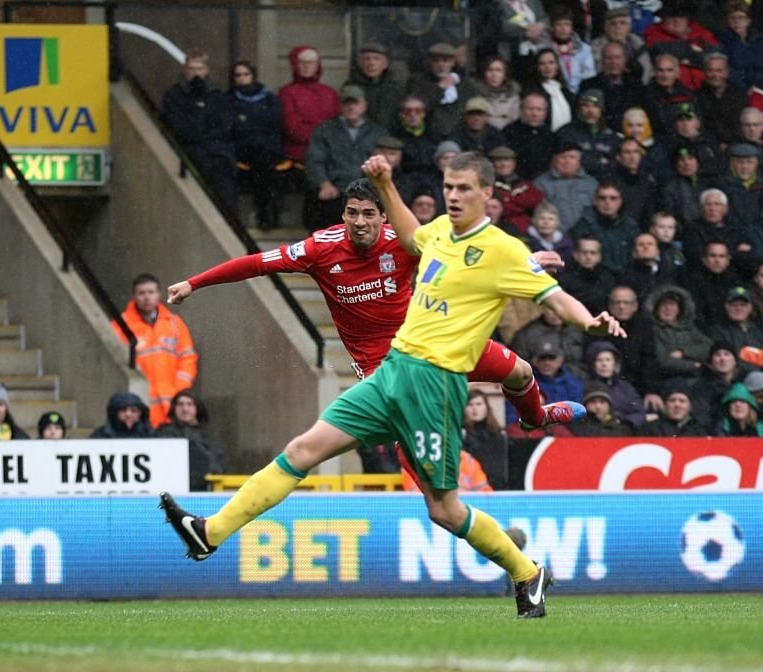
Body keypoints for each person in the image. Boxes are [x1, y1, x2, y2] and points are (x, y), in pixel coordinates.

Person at [160, 152, 624, 620]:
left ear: (487, 194)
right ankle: (210, 532)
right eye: (449, 187)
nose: (454, 196)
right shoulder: (427, 233)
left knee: (464, 475)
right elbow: (405, 232)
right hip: (388, 372)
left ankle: (527, 544)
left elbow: (556, 298)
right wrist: (194, 285)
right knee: (303, 450)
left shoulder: (499, 249)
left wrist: (589, 321)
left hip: (434, 381)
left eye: (463, 188)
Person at [167, 178, 580, 431]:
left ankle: (535, 417)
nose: (359, 221)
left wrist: (525, 261)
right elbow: (256, 263)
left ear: (385, 218)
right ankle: (432, 505)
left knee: (520, 371)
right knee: (411, 429)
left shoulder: (403, 242)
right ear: (343, 215)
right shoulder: (318, 249)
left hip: (432, 342)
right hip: (380, 365)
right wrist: (193, 283)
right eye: (351, 213)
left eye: (368, 214)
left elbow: (468, 255)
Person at [111, 273, 197, 428]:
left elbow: (188, 359)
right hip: (137, 406)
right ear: (134, 296)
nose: (146, 297)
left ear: (158, 294)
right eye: (142, 293)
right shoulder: (121, 325)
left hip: (171, 404)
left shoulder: (174, 324)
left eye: (151, 292)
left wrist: (179, 391)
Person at [161, 48, 236, 213]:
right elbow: (177, 125)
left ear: (207, 70)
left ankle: (228, 218)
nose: (196, 73)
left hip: (217, 150)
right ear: (185, 70)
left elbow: (225, 124)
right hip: (190, 149)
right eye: (192, 69)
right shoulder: (174, 95)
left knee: (222, 172)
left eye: (200, 69)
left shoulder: (217, 95)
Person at [303, 84, 384, 231]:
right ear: (340, 106)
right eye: (347, 103)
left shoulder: (378, 132)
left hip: (367, 191)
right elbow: (314, 160)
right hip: (335, 190)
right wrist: (324, 183)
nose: (351, 107)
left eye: (356, 103)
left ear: (365, 105)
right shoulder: (324, 130)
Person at [228, 60, 283, 231]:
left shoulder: (268, 97)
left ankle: (268, 212)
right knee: (263, 165)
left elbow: (275, 120)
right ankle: (266, 213)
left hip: (267, 147)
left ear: (253, 75)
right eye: (238, 75)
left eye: (246, 74)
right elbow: (232, 126)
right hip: (242, 148)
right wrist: (255, 122)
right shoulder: (228, 98)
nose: (242, 78)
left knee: (264, 163)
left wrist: (247, 121)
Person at [277, 45, 339, 168]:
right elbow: (293, 128)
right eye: (302, 62)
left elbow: (336, 125)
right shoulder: (286, 93)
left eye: (311, 62)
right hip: (298, 157)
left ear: (318, 65)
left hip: (328, 155)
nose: (306, 66)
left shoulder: (330, 93)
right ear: (295, 65)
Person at [155, 389, 225, 492]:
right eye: (180, 404)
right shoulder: (164, 433)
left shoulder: (208, 436)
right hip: (172, 490)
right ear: (174, 408)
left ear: (197, 408)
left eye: (189, 404)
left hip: (203, 490)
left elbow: (217, 465)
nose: (185, 409)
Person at [406, 42, 478, 141]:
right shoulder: (417, 82)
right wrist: (441, 87)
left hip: (459, 137)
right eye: (436, 61)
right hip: (426, 137)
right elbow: (420, 107)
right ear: (430, 62)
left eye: (445, 61)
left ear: (452, 62)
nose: (441, 65)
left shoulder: (464, 85)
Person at [571, 180, 641, 275]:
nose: (607, 202)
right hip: (595, 279)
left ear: (620, 201)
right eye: (602, 198)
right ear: (595, 201)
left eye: (613, 198)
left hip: (627, 279)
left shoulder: (630, 226)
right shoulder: (583, 225)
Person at [533, 138, 598, 233]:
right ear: (554, 160)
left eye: (572, 157)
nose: (567, 161)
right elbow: (539, 215)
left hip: (587, 235)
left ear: (579, 161)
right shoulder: (541, 183)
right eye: (563, 157)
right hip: (554, 237)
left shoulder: (591, 183)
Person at [556, 89, 619, 179]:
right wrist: (600, 162)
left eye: (595, 106)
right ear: (580, 109)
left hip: (604, 184)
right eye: (586, 106)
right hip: (575, 182)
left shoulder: (611, 136)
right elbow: (567, 163)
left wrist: (585, 159)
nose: (590, 111)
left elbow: (616, 164)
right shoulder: (567, 132)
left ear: (601, 109)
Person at [584, 340, 646, 428]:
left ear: (615, 364)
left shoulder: (626, 388)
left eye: (608, 360)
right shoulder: (583, 386)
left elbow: (640, 413)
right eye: (599, 360)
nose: (604, 364)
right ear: (593, 365)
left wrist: (621, 420)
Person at [343, 41, 401, 132]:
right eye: (367, 59)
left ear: (385, 64)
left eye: (376, 59)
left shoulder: (395, 87)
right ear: (361, 63)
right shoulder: (351, 86)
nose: (371, 63)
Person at [461, 389, 509, 490]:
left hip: (491, 491)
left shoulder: (498, 436)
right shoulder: (459, 435)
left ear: (487, 407)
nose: (475, 408)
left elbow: (499, 472)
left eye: (479, 404)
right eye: (470, 404)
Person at [696, 53, 748, 147]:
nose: (715, 75)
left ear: (727, 73)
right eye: (710, 70)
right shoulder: (697, 98)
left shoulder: (739, 96)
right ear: (704, 72)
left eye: (719, 71)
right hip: (709, 147)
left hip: (737, 145)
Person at [490, 145, 544, 235]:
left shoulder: (524, 184)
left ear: (514, 163)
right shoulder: (488, 185)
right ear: (492, 164)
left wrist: (508, 200)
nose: (503, 164)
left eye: (507, 160)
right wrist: (519, 204)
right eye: (499, 160)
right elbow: (496, 209)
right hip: (496, 230)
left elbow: (536, 200)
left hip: (523, 230)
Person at [556, 235, 615, 315]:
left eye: (593, 253)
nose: (588, 257)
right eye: (584, 252)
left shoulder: (609, 278)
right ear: (575, 254)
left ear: (599, 256)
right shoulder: (563, 278)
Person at [503, 90, 554, 179]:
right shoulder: (509, 132)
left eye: (539, 109)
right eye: (530, 109)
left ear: (545, 113)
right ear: (521, 110)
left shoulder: (551, 135)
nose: (534, 113)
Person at [690, 341, 741, 428]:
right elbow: (701, 417)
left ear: (735, 361)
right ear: (711, 362)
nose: (722, 358)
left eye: (727, 354)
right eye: (717, 355)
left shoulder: (743, 383)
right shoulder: (701, 386)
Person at [641, 378, 708, 436]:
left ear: (690, 407)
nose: (677, 405)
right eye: (672, 400)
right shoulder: (651, 429)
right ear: (665, 405)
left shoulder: (699, 431)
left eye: (682, 401)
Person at [530, 48, 575, 131]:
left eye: (551, 62)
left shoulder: (567, 93)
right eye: (542, 63)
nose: (547, 67)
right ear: (537, 67)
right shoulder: (532, 92)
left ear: (557, 65)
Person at [570, 382, 636, 436]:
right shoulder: (576, 427)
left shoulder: (621, 428)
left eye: (602, 402)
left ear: (609, 406)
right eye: (593, 402)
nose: (598, 406)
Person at [475, 56, 521, 130]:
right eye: (490, 70)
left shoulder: (514, 97)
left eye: (498, 70)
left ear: (505, 75)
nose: (494, 75)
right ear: (484, 74)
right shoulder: (475, 96)